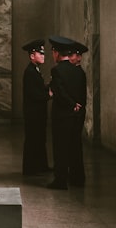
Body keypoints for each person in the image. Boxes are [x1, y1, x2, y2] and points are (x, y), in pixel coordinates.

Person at [47, 35, 88, 189]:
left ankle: (61, 180)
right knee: (76, 146)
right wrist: (78, 108)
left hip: (63, 115)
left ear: (57, 53)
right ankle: (78, 178)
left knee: (61, 148)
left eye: (53, 52)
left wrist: (71, 105)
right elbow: (82, 95)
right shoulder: (80, 72)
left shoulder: (56, 71)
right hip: (77, 116)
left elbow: (60, 92)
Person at [21, 38, 51, 175]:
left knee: (39, 139)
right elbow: (34, 94)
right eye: (40, 54)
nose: (43, 56)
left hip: (37, 113)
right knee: (33, 140)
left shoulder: (35, 70)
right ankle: (31, 169)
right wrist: (49, 94)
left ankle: (41, 166)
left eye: (43, 54)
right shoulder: (30, 72)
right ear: (32, 56)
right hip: (33, 113)